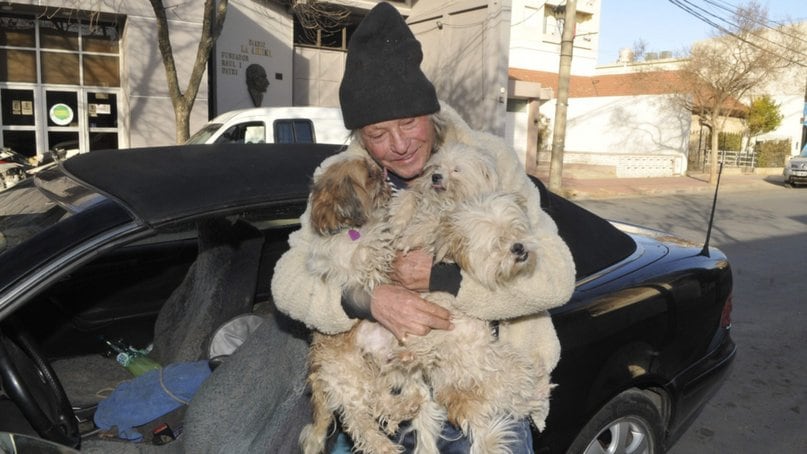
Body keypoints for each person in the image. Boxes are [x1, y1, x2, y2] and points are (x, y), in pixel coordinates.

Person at [271, 2, 576, 452]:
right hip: (389, 395)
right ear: (359, 137)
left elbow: (555, 277)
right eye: (377, 134)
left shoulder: (490, 162)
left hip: (483, 393)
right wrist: (367, 299)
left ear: (430, 113)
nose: (397, 145)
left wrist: (443, 278)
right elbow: (287, 281)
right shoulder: (343, 180)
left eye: (408, 123)